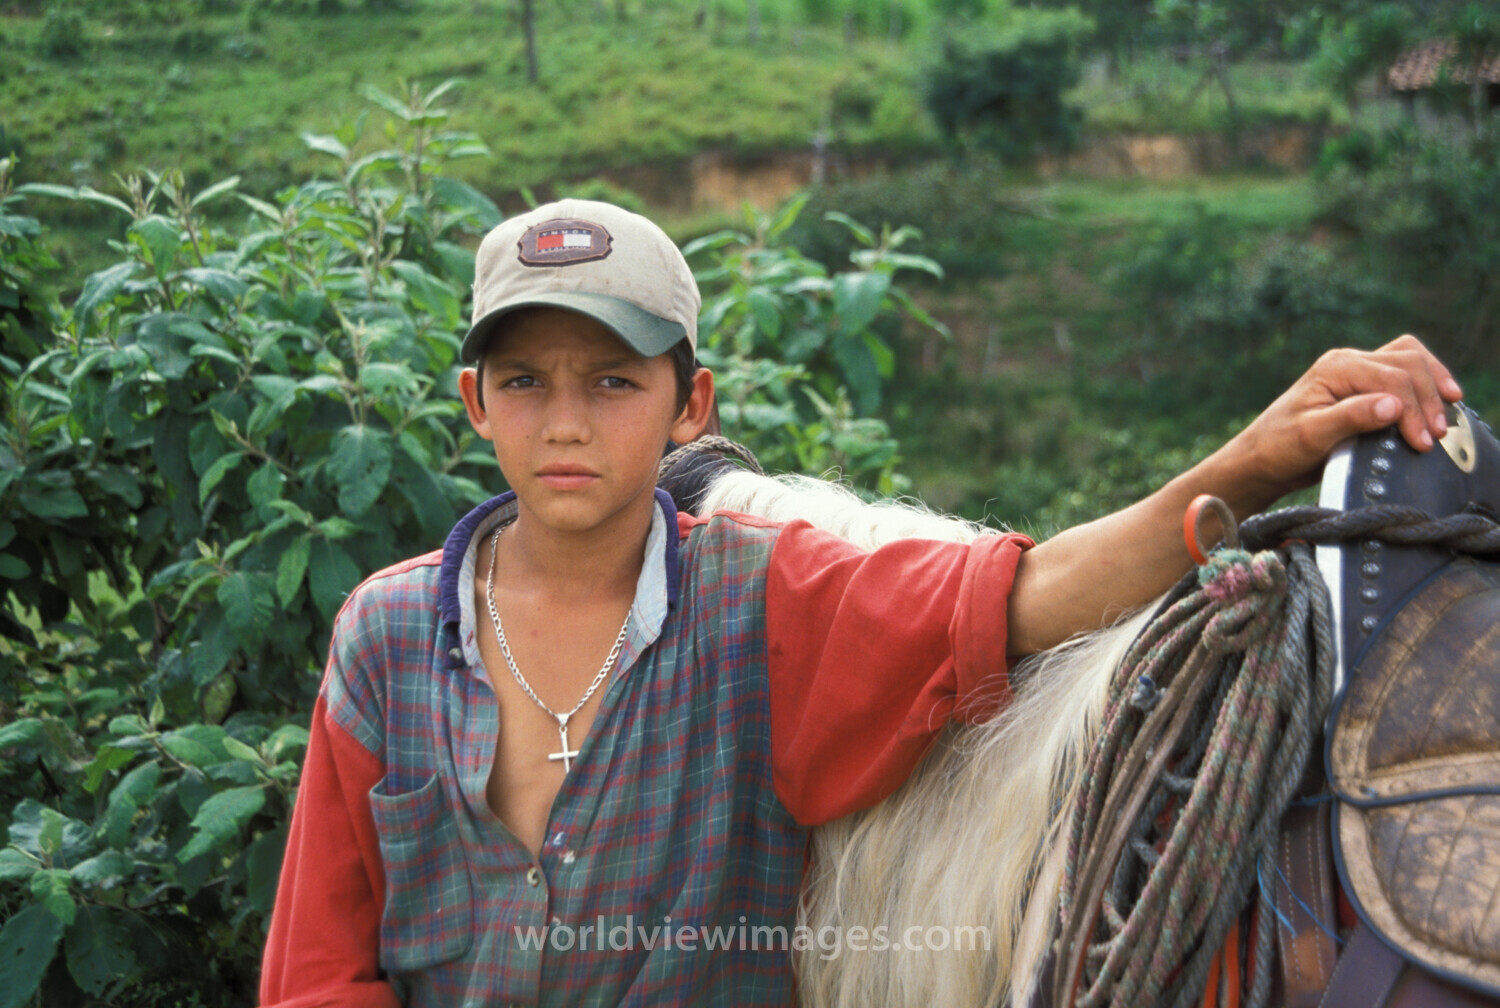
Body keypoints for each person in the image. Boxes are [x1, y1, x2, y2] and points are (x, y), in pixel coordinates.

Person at [258, 199, 1462, 1008]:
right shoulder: (385, 638)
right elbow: (317, 968)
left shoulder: (762, 599)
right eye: (524, 381)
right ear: (475, 402)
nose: (564, 421)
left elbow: (1022, 597)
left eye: (613, 380)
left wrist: (1253, 460)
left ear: (691, 405)